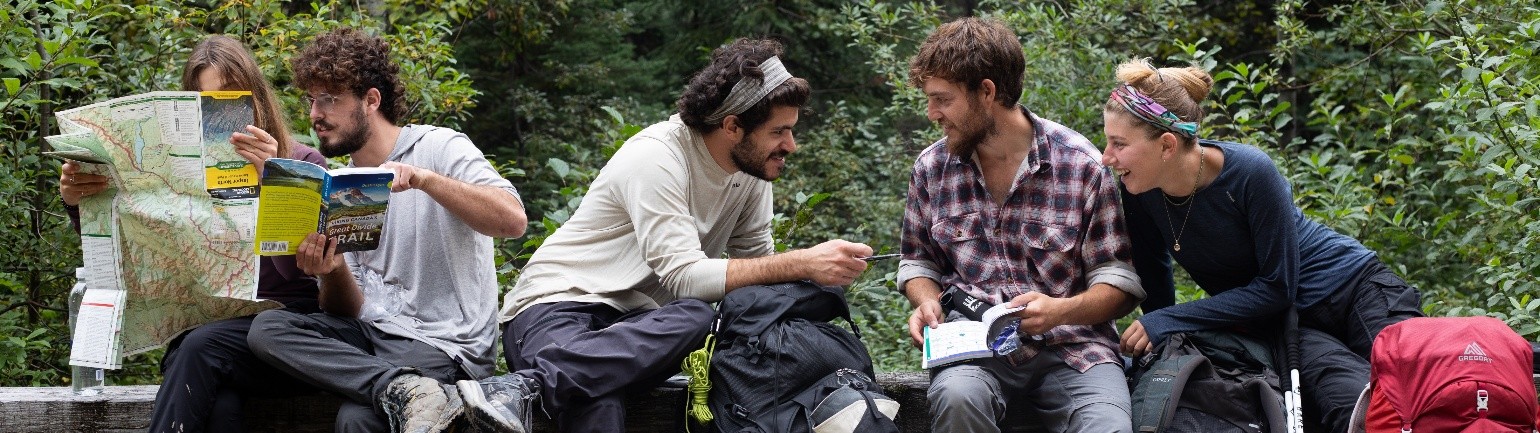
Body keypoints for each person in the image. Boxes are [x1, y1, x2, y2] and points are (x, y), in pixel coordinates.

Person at [453, 38, 874, 433]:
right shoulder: (657, 156)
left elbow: (758, 270)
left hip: (639, 328)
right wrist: (801, 261)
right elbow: (685, 278)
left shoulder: (751, 175)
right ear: (732, 126)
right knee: (598, 400)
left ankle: (523, 389)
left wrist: (812, 276)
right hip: (557, 309)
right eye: (779, 132)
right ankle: (531, 387)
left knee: (694, 316)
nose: (791, 145)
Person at [1101, 58, 1423, 432]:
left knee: (1408, 394)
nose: (1106, 157)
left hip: (1353, 289)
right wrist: (1160, 338)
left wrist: (1168, 320)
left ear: (1168, 146)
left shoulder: (1250, 172)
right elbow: (1157, 282)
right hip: (1287, 324)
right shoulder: (1141, 192)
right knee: (1351, 404)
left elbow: (1277, 286)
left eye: (1118, 144)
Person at [244, 28, 527, 433]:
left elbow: (513, 220)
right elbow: (348, 309)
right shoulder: (341, 184)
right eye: (311, 100)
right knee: (268, 329)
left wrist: (424, 180)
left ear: (371, 100)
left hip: (444, 344)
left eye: (329, 99)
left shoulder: (438, 148)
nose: (314, 115)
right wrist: (333, 269)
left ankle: (411, 390)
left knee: (356, 419)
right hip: (373, 336)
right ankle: (403, 389)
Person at [58, 34, 328, 433]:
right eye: (206, 104)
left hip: (282, 339)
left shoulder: (303, 161)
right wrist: (81, 200)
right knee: (217, 405)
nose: (223, 119)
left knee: (199, 349)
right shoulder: (179, 176)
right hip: (203, 340)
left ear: (257, 99)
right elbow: (134, 251)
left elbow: (301, 274)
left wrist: (277, 181)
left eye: (233, 101)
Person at [899, 17, 1144, 433]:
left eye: (942, 99)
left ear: (987, 92)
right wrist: (925, 300)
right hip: (972, 348)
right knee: (957, 398)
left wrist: (1059, 311)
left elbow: (1119, 287)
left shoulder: (1081, 165)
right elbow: (918, 261)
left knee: (1109, 428)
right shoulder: (932, 168)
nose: (931, 113)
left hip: (1075, 349)